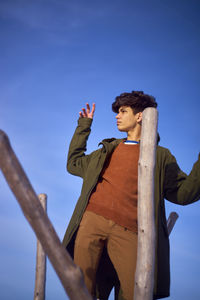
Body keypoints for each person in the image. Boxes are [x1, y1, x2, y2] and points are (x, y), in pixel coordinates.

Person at [62, 91, 200, 300]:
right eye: (117, 112)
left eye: (123, 111)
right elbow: (73, 164)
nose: (117, 116)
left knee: (136, 292)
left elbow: (184, 194)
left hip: (131, 231)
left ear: (140, 116)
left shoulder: (160, 156)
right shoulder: (106, 150)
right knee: (82, 290)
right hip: (91, 221)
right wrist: (84, 126)